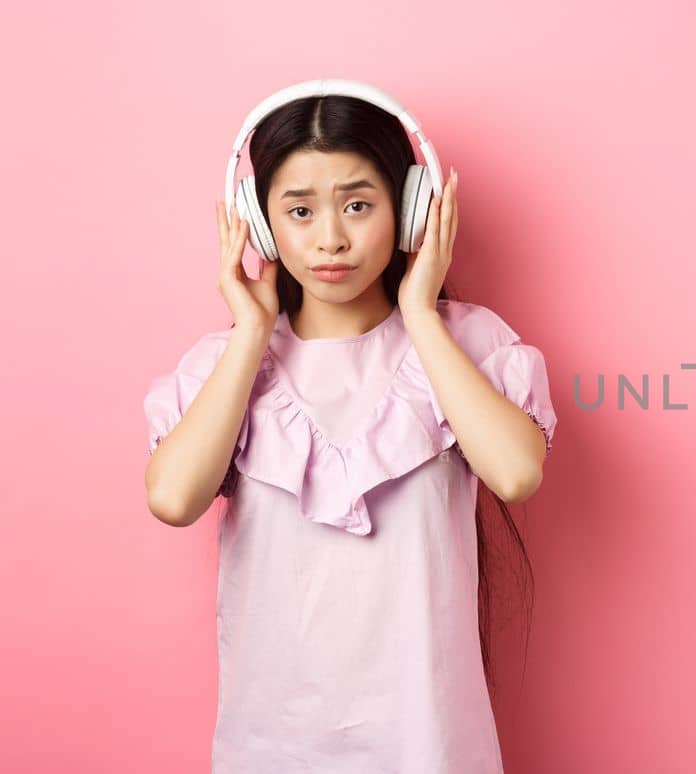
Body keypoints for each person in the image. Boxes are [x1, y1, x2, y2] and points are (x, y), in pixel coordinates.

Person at [141, 88, 556, 773]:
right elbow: (173, 499)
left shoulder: (467, 345)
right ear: (261, 225)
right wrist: (250, 332)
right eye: (299, 211)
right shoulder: (226, 367)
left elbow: (515, 473)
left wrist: (421, 313)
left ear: (410, 208)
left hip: (426, 737)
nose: (330, 237)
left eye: (358, 205)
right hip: (274, 736)